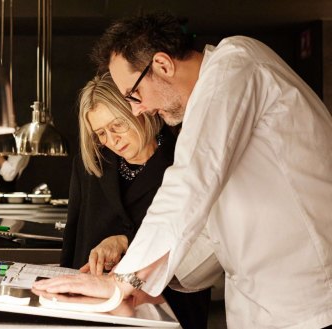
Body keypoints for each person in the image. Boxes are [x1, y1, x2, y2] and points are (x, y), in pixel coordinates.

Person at [34, 12, 332, 328]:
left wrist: (125, 280)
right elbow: (211, 230)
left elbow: (190, 182)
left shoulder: (235, 67)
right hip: (257, 304)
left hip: (310, 301)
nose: (139, 109)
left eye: (134, 95)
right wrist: (144, 287)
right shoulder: (211, 100)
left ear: (163, 65)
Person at [62, 73, 210, 329]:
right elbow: (73, 235)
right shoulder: (89, 166)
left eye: (117, 125)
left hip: (169, 306)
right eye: (101, 133)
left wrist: (127, 243)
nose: (111, 140)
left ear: (139, 110)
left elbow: (202, 240)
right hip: (94, 309)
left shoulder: (184, 158)